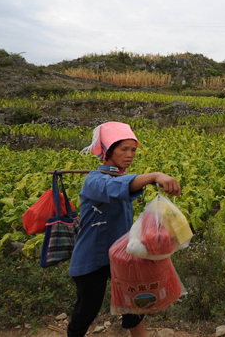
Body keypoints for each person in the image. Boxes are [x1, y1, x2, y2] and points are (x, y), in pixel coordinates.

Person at [67, 122, 181, 337]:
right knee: (87, 309)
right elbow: (115, 188)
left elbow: (126, 183)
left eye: (133, 149)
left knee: (134, 304)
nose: (130, 154)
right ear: (108, 151)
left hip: (122, 256)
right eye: (124, 149)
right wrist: (155, 175)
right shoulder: (94, 180)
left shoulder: (123, 177)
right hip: (93, 257)